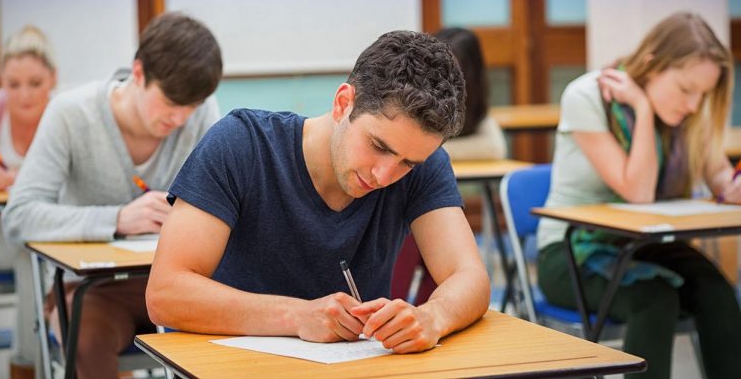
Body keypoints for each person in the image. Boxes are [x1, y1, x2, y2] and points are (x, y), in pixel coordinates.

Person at [146, 30, 491, 353]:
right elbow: (166, 293)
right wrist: (297, 316)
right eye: (378, 146)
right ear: (343, 104)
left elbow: (470, 277)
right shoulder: (241, 145)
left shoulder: (424, 166)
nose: (385, 175)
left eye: (407, 163)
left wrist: (432, 317)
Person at [1, 12, 222, 378]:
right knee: (86, 338)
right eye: (170, 102)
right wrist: (116, 219)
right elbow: (18, 216)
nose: (181, 118)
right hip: (93, 292)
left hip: (180, 286)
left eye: (192, 106)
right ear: (138, 74)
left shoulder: (202, 114)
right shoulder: (71, 114)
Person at [536, 12, 741, 379]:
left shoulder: (685, 116)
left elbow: (722, 177)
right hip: (571, 253)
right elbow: (639, 192)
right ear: (650, 66)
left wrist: (732, 185)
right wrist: (643, 110)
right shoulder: (587, 97)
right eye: (685, 90)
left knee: (717, 292)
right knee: (655, 299)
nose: (694, 105)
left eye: (702, 95)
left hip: (644, 245)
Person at [0, 25, 55, 379]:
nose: (24, 95)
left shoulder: (63, 115)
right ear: (0, 80)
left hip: (53, 228)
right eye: (13, 84)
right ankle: (26, 367)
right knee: (29, 251)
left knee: (42, 252)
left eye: (35, 83)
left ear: (53, 79)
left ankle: (68, 353)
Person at [435, 27, 506, 160]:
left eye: (453, 68)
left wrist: (429, 152)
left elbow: (494, 148)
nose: (443, 76)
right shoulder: (417, 95)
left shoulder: (473, 102)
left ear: (470, 72)